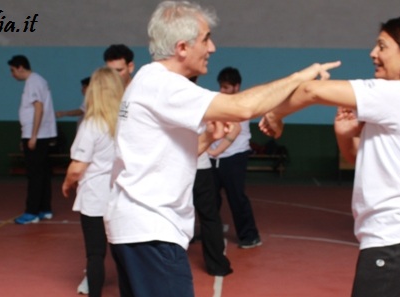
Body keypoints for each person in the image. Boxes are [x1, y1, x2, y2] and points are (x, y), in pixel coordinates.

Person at [107, 1, 339, 295]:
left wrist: (205, 140)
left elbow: (159, 159)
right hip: (151, 231)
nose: (212, 47)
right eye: (205, 39)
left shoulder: (147, 80)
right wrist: (299, 78)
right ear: (182, 47)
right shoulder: (163, 85)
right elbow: (243, 107)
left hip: (137, 227)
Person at [259, 16, 400, 296]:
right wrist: (342, 132)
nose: (373, 53)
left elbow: (311, 90)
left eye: (382, 47)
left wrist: (274, 115)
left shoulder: (398, 93)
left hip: (394, 241)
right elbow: (355, 158)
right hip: (397, 240)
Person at [62, 67, 124, 297]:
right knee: (123, 252)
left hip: (95, 198)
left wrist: (67, 184)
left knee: (95, 254)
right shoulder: (126, 123)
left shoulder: (92, 124)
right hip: (120, 196)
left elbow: (77, 167)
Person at [208, 67, 262, 248]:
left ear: (236, 87)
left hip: (235, 156)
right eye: (221, 87)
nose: (222, 91)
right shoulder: (218, 102)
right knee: (210, 198)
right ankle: (212, 231)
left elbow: (234, 131)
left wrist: (216, 151)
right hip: (215, 157)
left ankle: (250, 235)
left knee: (236, 197)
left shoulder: (241, 104)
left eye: (226, 87)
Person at [190, 75, 233, 277]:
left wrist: (214, 150)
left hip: (192, 167)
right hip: (196, 167)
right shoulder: (203, 100)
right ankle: (217, 264)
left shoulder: (198, 100)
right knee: (209, 217)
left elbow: (235, 126)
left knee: (205, 217)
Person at [8, 55, 58, 225]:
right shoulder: (38, 81)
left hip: (36, 136)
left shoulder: (33, 82)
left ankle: (32, 212)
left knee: (34, 175)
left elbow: (38, 108)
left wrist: (33, 135)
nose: (12, 75)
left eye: (13, 71)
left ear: (20, 67)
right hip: (36, 135)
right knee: (42, 174)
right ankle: (45, 209)